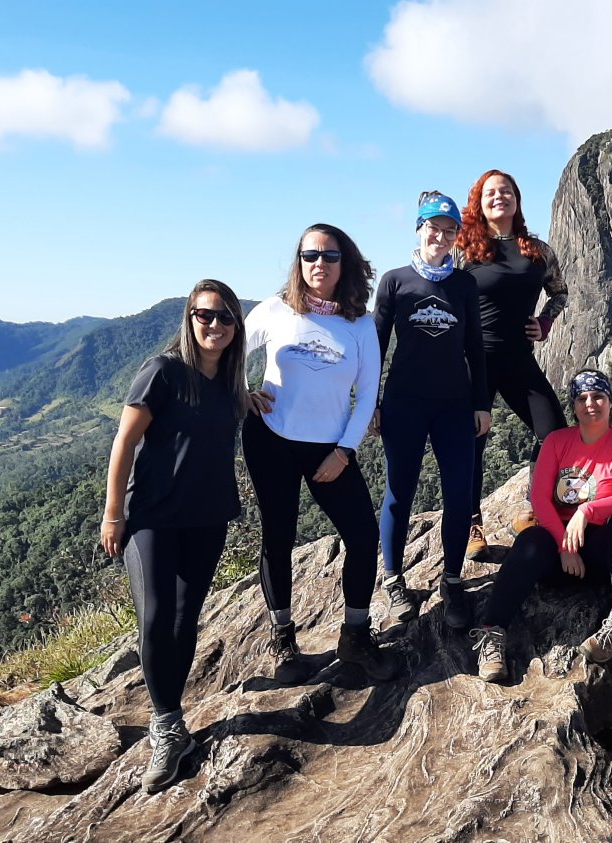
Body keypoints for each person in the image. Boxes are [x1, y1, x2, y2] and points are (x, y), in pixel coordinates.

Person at [101, 278, 249, 792]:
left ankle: (173, 716)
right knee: (155, 616)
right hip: (151, 518)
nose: (215, 325)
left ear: (237, 326)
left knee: (186, 618)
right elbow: (124, 442)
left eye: (226, 317)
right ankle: (166, 726)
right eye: (205, 315)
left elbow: (223, 418)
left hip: (207, 518)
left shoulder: (229, 382)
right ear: (189, 319)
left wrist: (252, 399)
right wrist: (113, 514)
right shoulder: (162, 372)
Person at [243, 223, 399, 682]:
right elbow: (227, 352)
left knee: (363, 537)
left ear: (344, 263)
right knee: (278, 537)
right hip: (270, 438)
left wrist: (344, 452)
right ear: (299, 262)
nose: (319, 264)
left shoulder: (360, 325)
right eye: (310, 255)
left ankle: (355, 637)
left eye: (330, 256)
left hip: (330, 448)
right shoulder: (276, 309)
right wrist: (240, 394)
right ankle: (283, 642)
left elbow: (367, 395)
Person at [469, 369, 612, 683]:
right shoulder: (557, 441)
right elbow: (540, 499)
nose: (590, 404)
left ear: (610, 401)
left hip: (602, 554)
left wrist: (587, 510)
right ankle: (492, 632)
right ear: (574, 406)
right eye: (582, 398)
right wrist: (565, 545)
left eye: (598, 396)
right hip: (558, 553)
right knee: (530, 540)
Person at [374, 191, 492, 629]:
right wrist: (370, 405)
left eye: (449, 231)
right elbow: (375, 347)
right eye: (433, 228)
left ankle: (453, 580)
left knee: (459, 494)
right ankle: (393, 580)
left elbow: (475, 347)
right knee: (399, 492)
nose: (440, 237)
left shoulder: (463, 284)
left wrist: (482, 404)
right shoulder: (394, 281)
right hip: (403, 402)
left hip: (454, 405)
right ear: (419, 229)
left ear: (457, 235)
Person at [455, 169, 570, 559]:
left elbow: (560, 291)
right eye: (490, 192)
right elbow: (444, 295)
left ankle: (533, 510)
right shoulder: (465, 249)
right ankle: (471, 523)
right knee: (472, 442)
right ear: (479, 201)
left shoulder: (537, 250)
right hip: (475, 361)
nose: (499, 197)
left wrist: (546, 321)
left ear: (517, 200)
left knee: (554, 433)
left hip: (519, 357)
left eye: (506, 191)